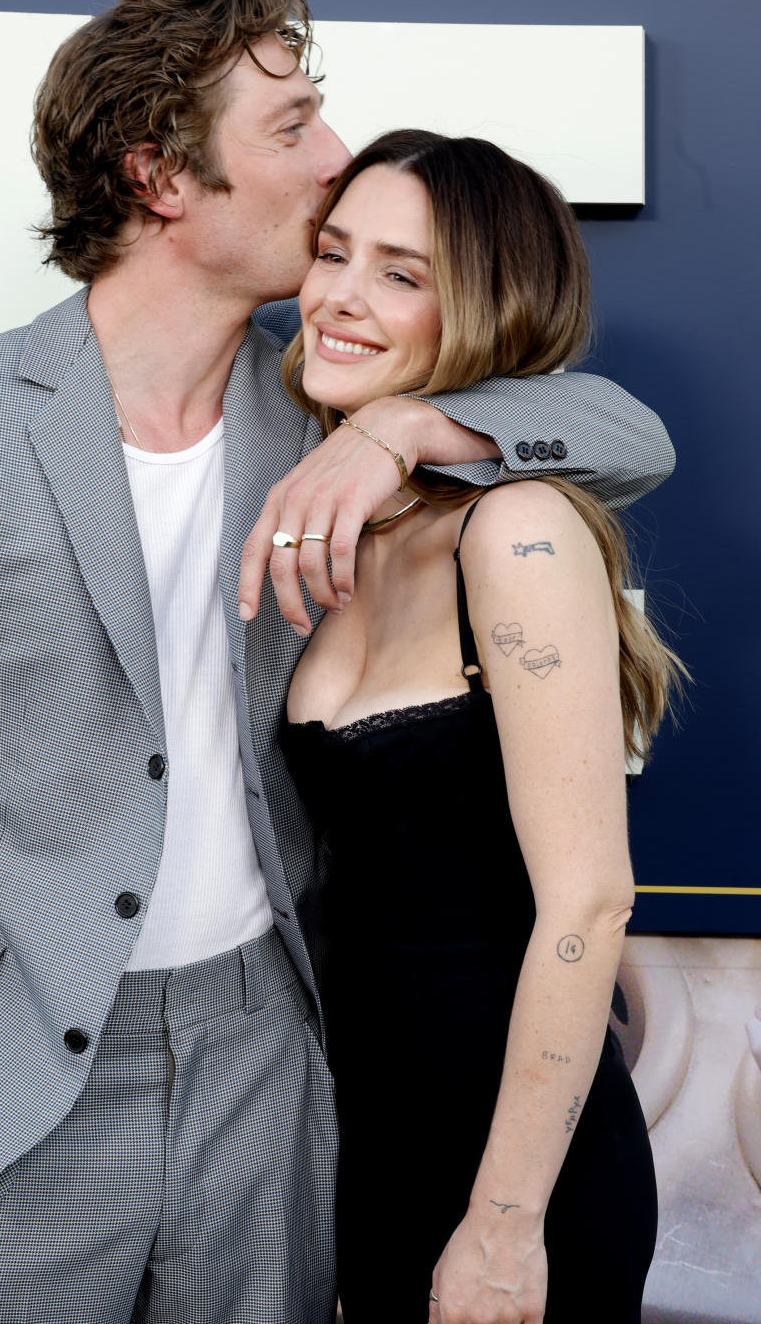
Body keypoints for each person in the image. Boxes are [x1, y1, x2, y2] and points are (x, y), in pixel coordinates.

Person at [0, 0, 673, 1324]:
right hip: (18, 1087)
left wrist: (410, 431)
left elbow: (626, 432)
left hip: (268, 1066)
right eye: (292, 129)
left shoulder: (321, 411)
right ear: (160, 176)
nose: (333, 169)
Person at [275, 130, 680, 1323]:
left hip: (512, 1164)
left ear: (486, 308)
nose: (341, 297)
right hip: (357, 1120)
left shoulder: (515, 531)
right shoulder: (317, 489)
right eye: (332, 252)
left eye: (400, 274)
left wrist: (503, 1227)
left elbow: (591, 901)